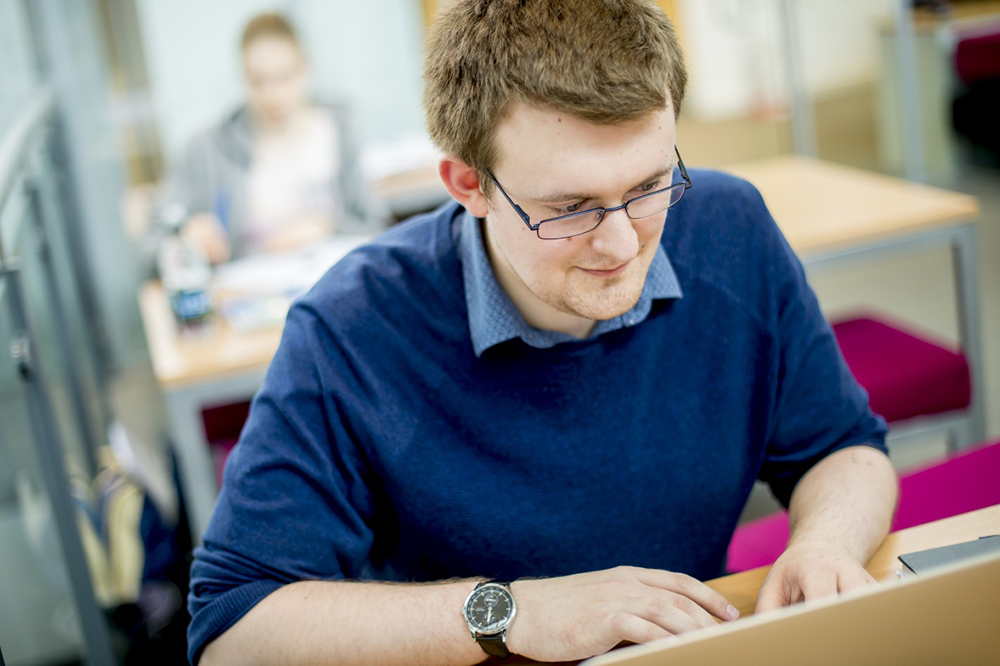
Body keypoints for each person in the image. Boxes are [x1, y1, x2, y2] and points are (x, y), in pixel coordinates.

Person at [188, 1, 898, 664]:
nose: (622, 242)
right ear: (468, 184)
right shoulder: (351, 326)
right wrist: (510, 613)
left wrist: (828, 543)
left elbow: (841, 447)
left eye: (650, 185)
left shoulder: (727, 228)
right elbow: (231, 625)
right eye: (571, 207)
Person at [148, 12, 384, 269]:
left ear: (306, 69)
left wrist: (325, 226)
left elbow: (372, 227)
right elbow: (151, 246)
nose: (272, 95)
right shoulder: (208, 148)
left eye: (284, 77)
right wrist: (185, 236)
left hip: (333, 275)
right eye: (257, 81)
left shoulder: (339, 130)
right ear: (242, 77)